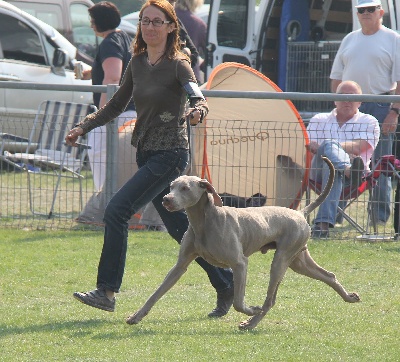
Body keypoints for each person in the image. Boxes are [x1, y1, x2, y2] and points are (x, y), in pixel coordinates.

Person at [65, 0, 234, 318]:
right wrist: (83, 127)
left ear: (171, 27)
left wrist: (197, 110)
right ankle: (226, 284)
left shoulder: (179, 64)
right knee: (181, 230)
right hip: (147, 155)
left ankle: (106, 292)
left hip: (170, 155)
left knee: (117, 210)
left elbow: (198, 95)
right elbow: (116, 105)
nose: (150, 27)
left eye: (158, 21)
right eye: (145, 21)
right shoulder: (138, 62)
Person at [330, 0, 400, 225]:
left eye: (371, 9)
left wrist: (394, 112)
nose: (366, 13)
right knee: (343, 160)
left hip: (381, 104)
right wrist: (338, 106)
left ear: (381, 12)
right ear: (357, 14)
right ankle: (336, 215)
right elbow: (336, 77)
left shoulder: (393, 39)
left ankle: (378, 221)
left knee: (380, 166)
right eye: (362, 10)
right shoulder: (349, 39)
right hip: (349, 107)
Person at [306, 81, 380, 238]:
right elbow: (313, 149)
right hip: (320, 173)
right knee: (328, 152)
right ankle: (347, 170)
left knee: (331, 165)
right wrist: (329, 147)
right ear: (335, 99)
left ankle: (322, 226)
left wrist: (327, 146)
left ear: (360, 101)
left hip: (356, 178)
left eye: (352, 97)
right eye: (343, 96)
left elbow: (359, 147)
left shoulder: (369, 121)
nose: (347, 100)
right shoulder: (319, 119)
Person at [78, 1, 136, 191]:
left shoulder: (110, 43)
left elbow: (112, 77)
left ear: (100, 22)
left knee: (99, 154)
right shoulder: (125, 38)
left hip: (116, 114)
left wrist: (101, 116)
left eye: (92, 20)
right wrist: (91, 73)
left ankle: (103, 202)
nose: (91, 25)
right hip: (130, 112)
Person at [175, 0, 207, 83]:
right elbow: (209, 54)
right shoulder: (199, 24)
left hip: (166, 78)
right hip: (192, 77)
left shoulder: (164, 19)